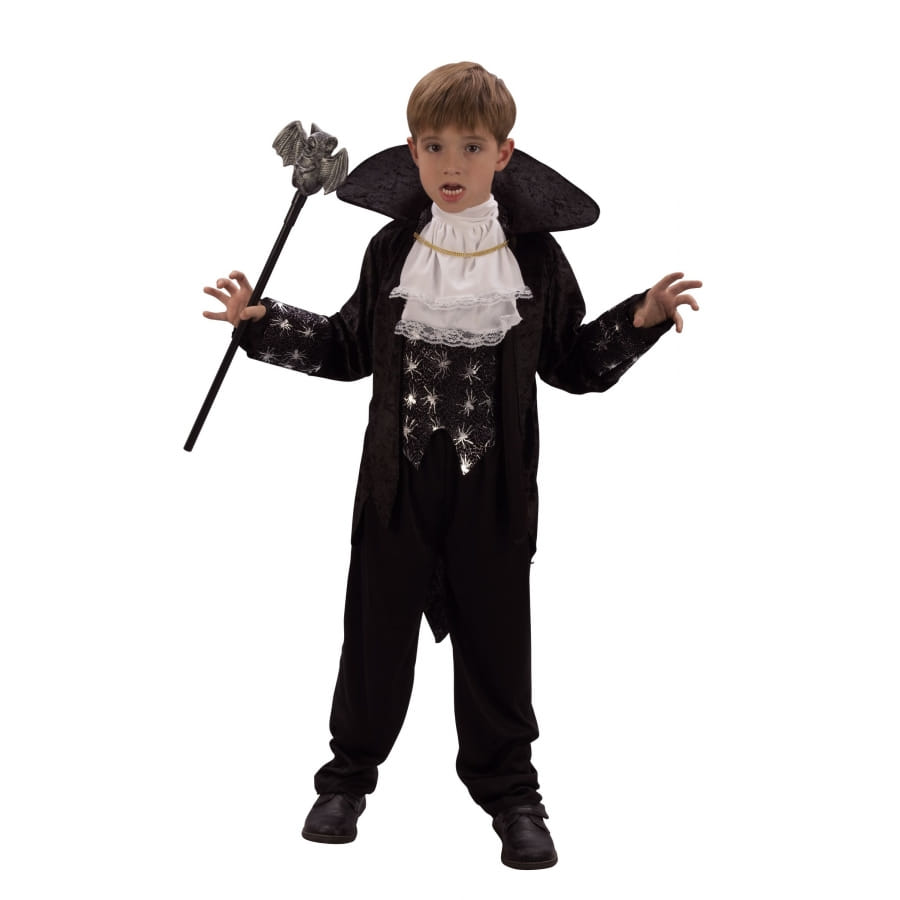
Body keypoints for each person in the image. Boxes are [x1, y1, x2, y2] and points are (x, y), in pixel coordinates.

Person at [202, 61, 701, 870]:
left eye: (471, 146)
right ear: (413, 152)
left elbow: (572, 364)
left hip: (494, 496)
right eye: (434, 146)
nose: (452, 164)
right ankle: (346, 780)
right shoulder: (392, 250)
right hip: (394, 489)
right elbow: (348, 348)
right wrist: (262, 325)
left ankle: (512, 796)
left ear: (504, 153)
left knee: (498, 644)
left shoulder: (534, 262)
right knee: (374, 637)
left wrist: (638, 321)